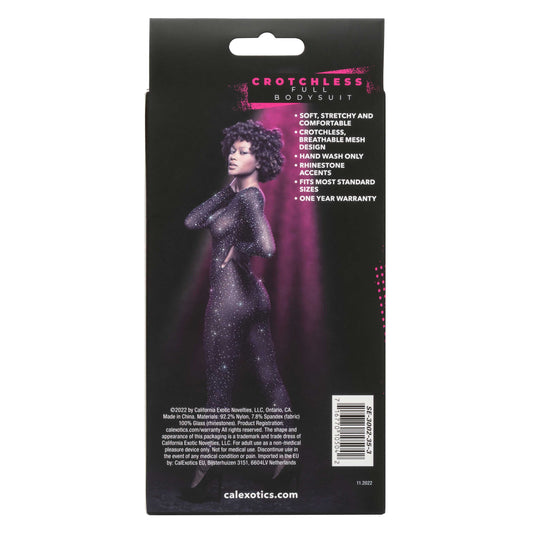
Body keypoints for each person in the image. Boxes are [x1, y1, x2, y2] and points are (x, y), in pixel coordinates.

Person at [182, 120, 293, 501]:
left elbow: (267, 246)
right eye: (233, 149)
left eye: (244, 151)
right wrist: (226, 190)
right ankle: (285, 460)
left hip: (230, 301)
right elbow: (192, 220)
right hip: (254, 298)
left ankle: (205, 472)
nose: (234, 154)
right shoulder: (240, 196)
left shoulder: (249, 200)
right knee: (270, 379)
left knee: (218, 387)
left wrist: (238, 249)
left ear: (259, 159)